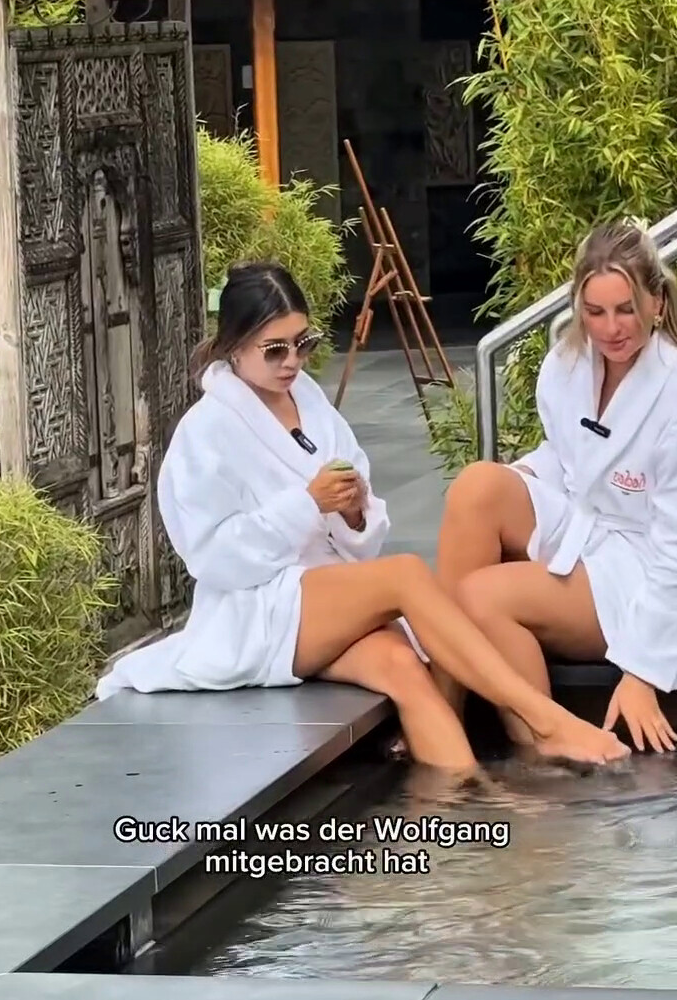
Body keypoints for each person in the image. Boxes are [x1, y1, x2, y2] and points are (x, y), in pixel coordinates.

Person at [96, 260, 629, 772]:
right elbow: (212, 557)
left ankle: (465, 809)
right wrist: (307, 505)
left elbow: (362, 532)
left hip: (325, 596)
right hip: (257, 608)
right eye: (275, 349)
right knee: (407, 576)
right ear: (234, 346)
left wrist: (353, 513)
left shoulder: (310, 403)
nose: (292, 361)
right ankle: (545, 719)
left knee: (404, 671)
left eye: (303, 343)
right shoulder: (205, 431)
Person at [434, 217, 677, 755]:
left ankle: (544, 742)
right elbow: (567, 458)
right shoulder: (567, 365)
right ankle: (443, 703)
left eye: (625, 309)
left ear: (657, 303)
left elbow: (674, 549)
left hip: (644, 564)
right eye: (595, 312)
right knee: (477, 486)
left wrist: (642, 671)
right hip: (586, 524)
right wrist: (520, 479)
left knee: (481, 596)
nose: (611, 329)